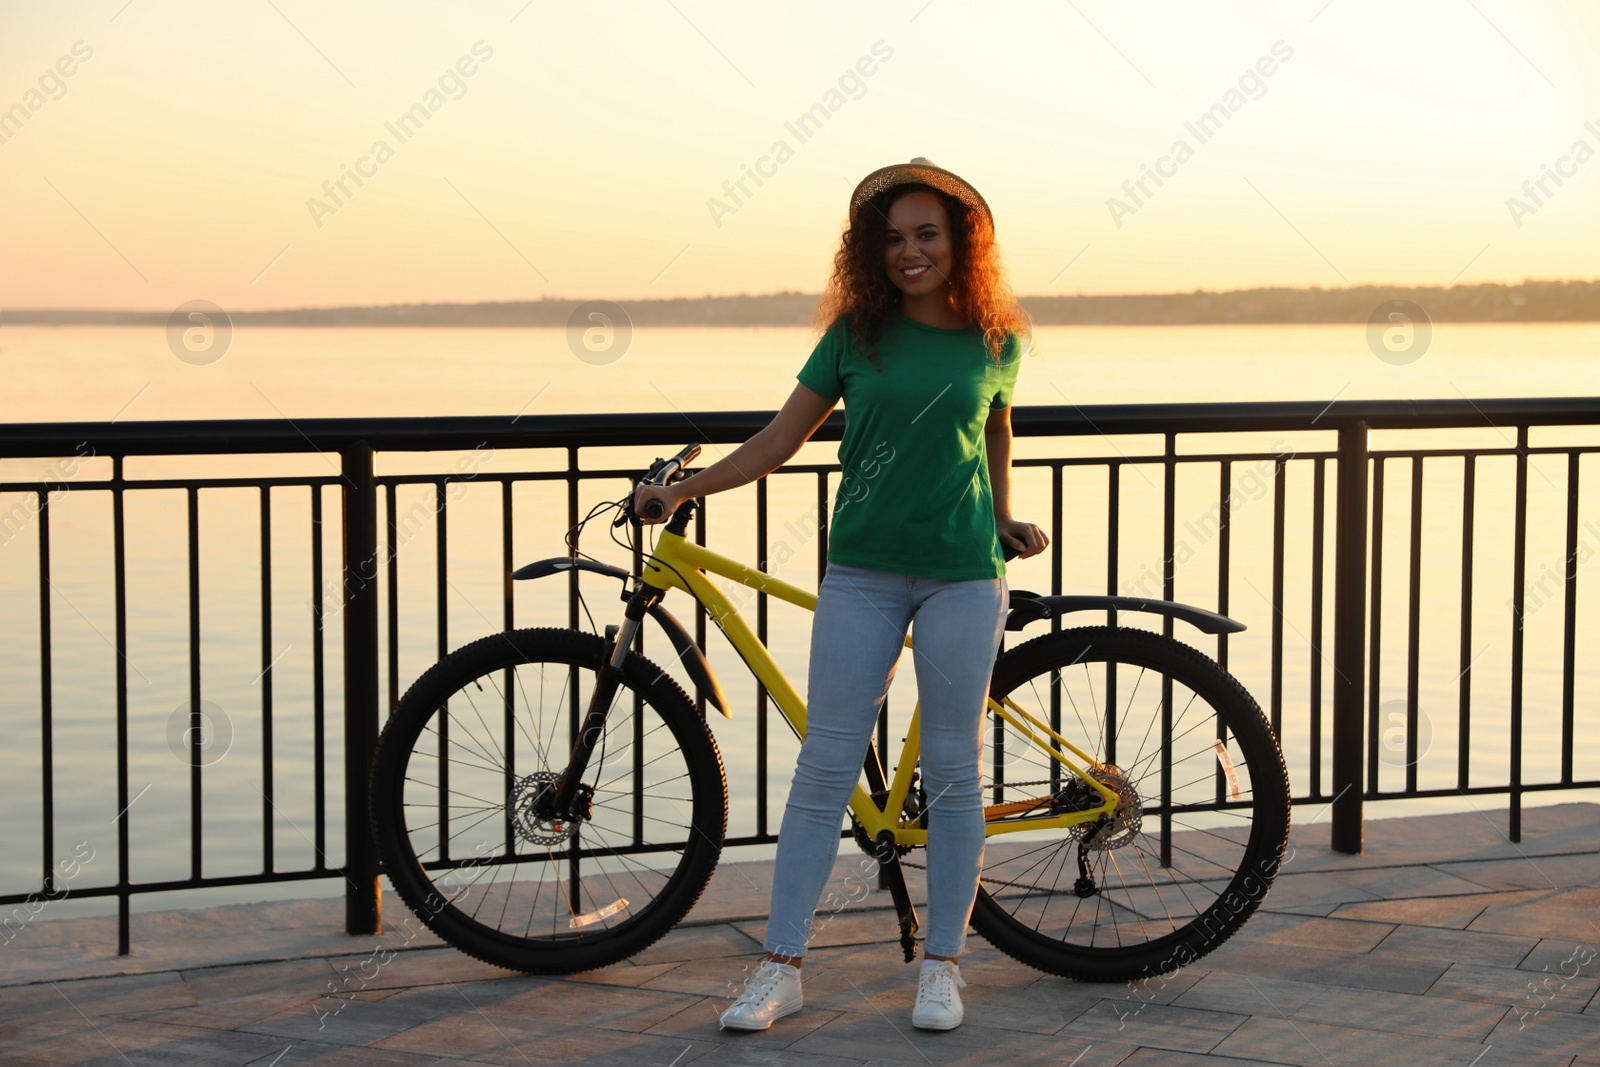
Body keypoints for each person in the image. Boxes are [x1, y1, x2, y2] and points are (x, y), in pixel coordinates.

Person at [634, 157, 1046, 1032]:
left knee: (954, 772)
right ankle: (779, 967)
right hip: (860, 569)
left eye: (927, 234)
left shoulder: (996, 338)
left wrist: (1003, 514)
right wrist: (688, 489)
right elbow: (779, 441)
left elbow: (997, 427)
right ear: (872, 250)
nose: (910, 252)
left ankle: (943, 968)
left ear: (960, 242)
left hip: (965, 574)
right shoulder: (854, 337)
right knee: (824, 765)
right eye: (893, 238)